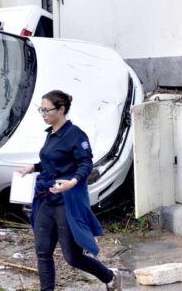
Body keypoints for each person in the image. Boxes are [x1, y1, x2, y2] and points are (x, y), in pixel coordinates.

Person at [18, 90, 122, 291]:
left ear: (61, 109)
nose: (43, 114)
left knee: (72, 257)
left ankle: (110, 276)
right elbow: (52, 161)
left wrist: (72, 182)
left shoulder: (75, 135)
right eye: (41, 110)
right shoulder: (52, 134)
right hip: (46, 200)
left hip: (66, 202)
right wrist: (34, 167)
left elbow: (86, 164)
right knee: (42, 252)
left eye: (47, 110)